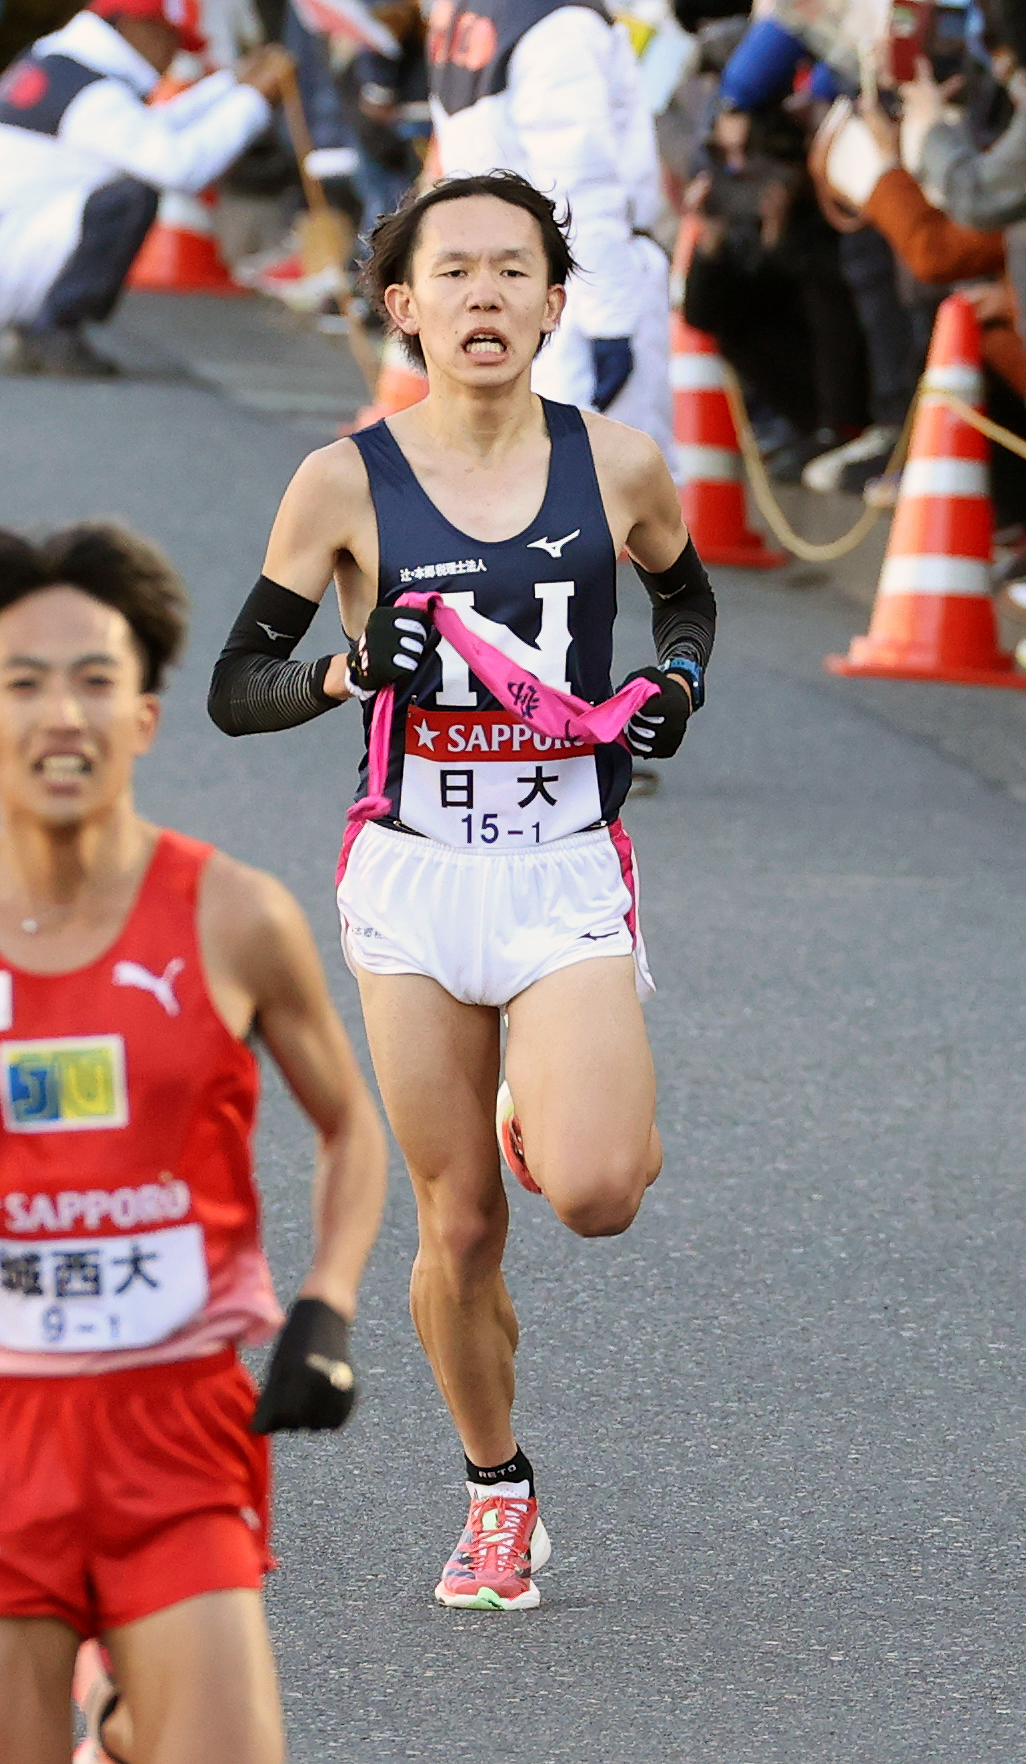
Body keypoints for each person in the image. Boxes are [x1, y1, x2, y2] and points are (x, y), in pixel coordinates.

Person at [208, 170, 715, 1609]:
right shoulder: (339, 482)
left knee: (601, 1192)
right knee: (462, 1225)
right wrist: (348, 671)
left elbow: (685, 598)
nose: (482, 296)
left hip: (559, 874)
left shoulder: (616, 464)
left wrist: (674, 678)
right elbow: (237, 689)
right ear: (403, 306)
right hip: (416, 887)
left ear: (556, 305)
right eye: (454, 273)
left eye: (512, 272)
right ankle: (498, 1491)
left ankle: (545, 1095)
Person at [0, 522, 386, 1762]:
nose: (63, 714)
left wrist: (324, 1306)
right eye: (23, 683)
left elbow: (348, 1126)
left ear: (147, 721)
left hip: (177, 1434)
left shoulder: (233, 917)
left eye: (96, 681)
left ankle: (129, 1704)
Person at [423, 0, 674, 463]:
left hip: (493, 277)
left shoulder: (464, 7)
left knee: (508, 482)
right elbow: (579, 188)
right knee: (610, 488)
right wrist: (612, 322)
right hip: (570, 286)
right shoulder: (560, 23)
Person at [0, 0, 295, 377]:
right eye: (171, 40)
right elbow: (180, 166)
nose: (172, 58)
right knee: (133, 193)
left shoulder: (63, 65)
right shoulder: (92, 95)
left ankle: (39, 326)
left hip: (18, 237)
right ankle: (54, 327)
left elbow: (150, 129)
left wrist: (230, 85)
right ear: (138, 27)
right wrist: (253, 101)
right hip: (14, 259)